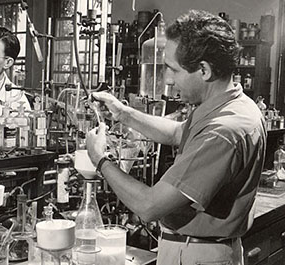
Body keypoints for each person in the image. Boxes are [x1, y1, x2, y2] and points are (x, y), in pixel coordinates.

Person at [86, 10, 266, 265]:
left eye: (174, 70)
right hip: (192, 248)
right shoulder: (227, 105)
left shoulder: (223, 131)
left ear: (203, 70)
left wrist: (100, 159)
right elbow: (178, 132)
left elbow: (148, 206)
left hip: (198, 255)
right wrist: (123, 113)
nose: (168, 81)